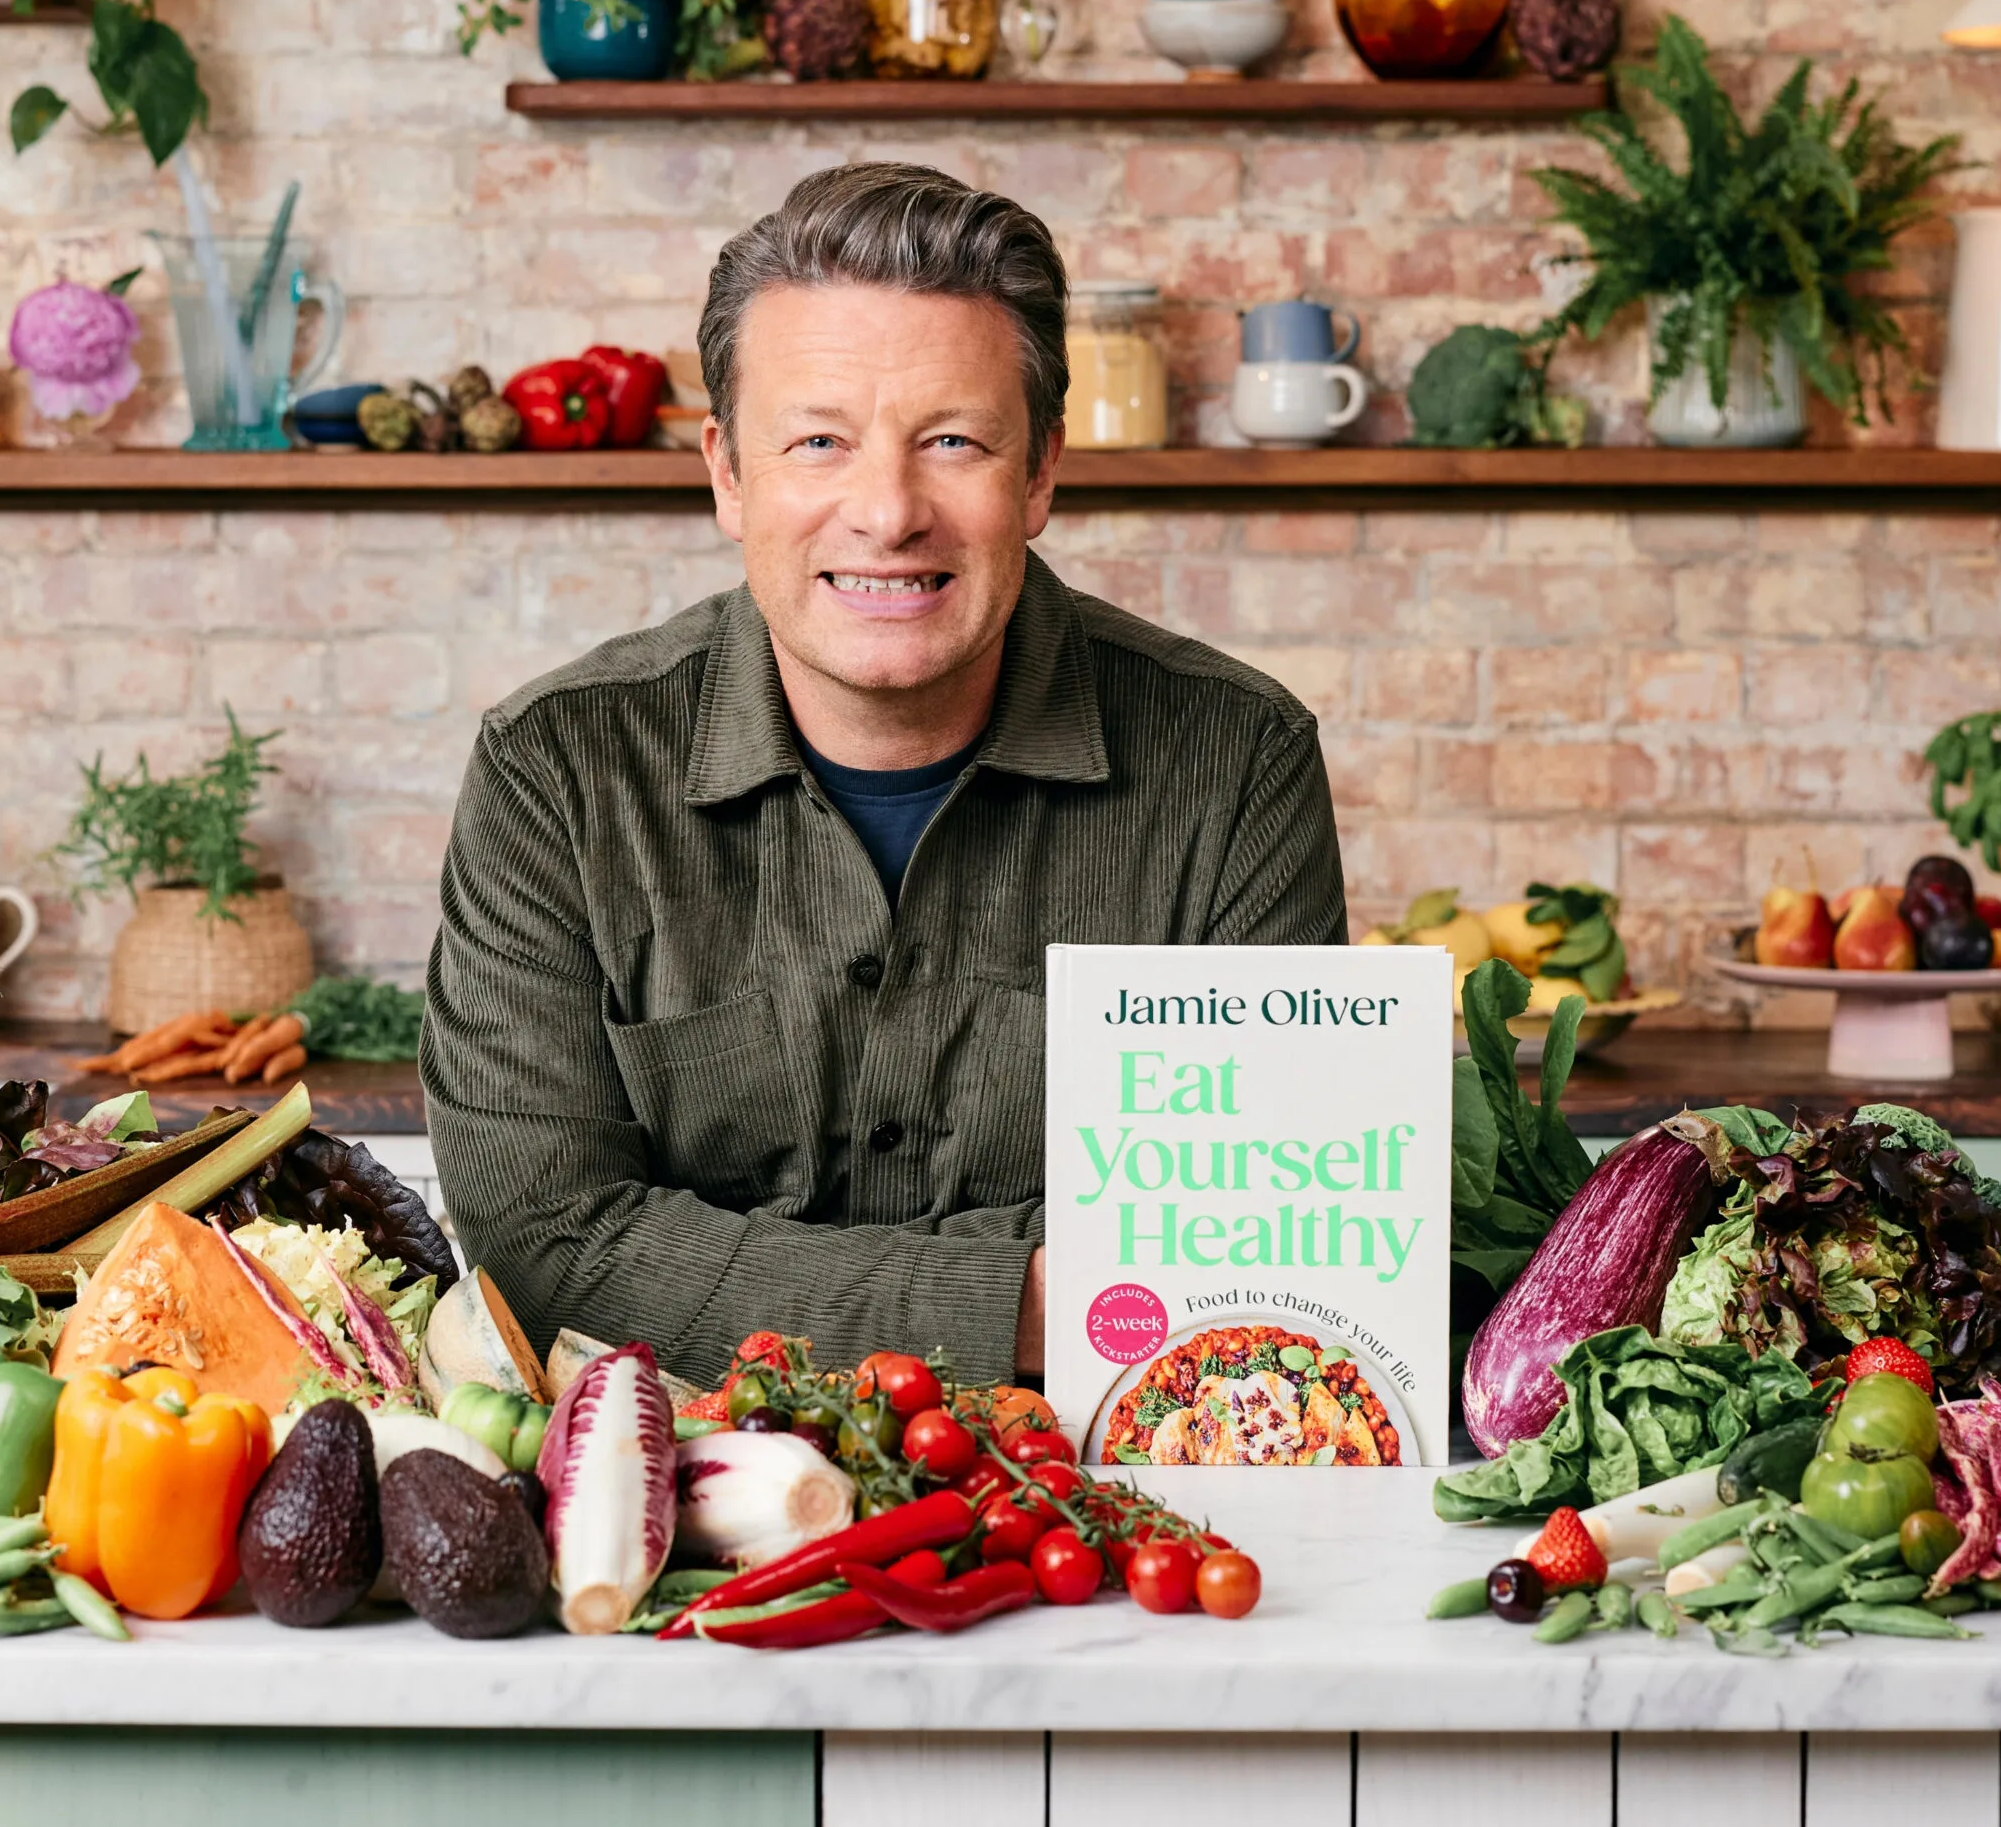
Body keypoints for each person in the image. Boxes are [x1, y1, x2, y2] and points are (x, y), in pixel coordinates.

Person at [423, 162, 1347, 1390]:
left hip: (1104, 1488)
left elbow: (1269, 1252)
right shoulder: (556, 771)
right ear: (727, 472)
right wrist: (1023, 1301)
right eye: (819, 441)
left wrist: (709, 1260)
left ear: (1039, 473)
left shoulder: (1237, 765)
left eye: (952, 441)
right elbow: (543, 1255)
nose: (887, 512)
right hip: (674, 1486)